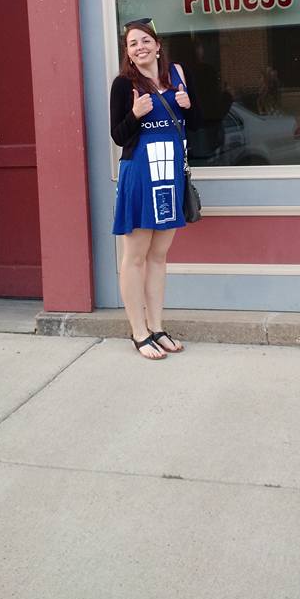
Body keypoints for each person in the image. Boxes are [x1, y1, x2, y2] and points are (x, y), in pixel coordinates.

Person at [110, 18, 200, 360]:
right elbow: (118, 136)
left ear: (158, 45)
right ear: (128, 52)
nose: (140, 47)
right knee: (135, 257)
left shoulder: (177, 74)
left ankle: (157, 327)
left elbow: (196, 124)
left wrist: (190, 106)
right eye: (133, 44)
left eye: (145, 41)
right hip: (139, 174)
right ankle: (139, 332)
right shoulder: (124, 84)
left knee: (159, 256)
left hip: (170, 173)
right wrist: (135, 113)